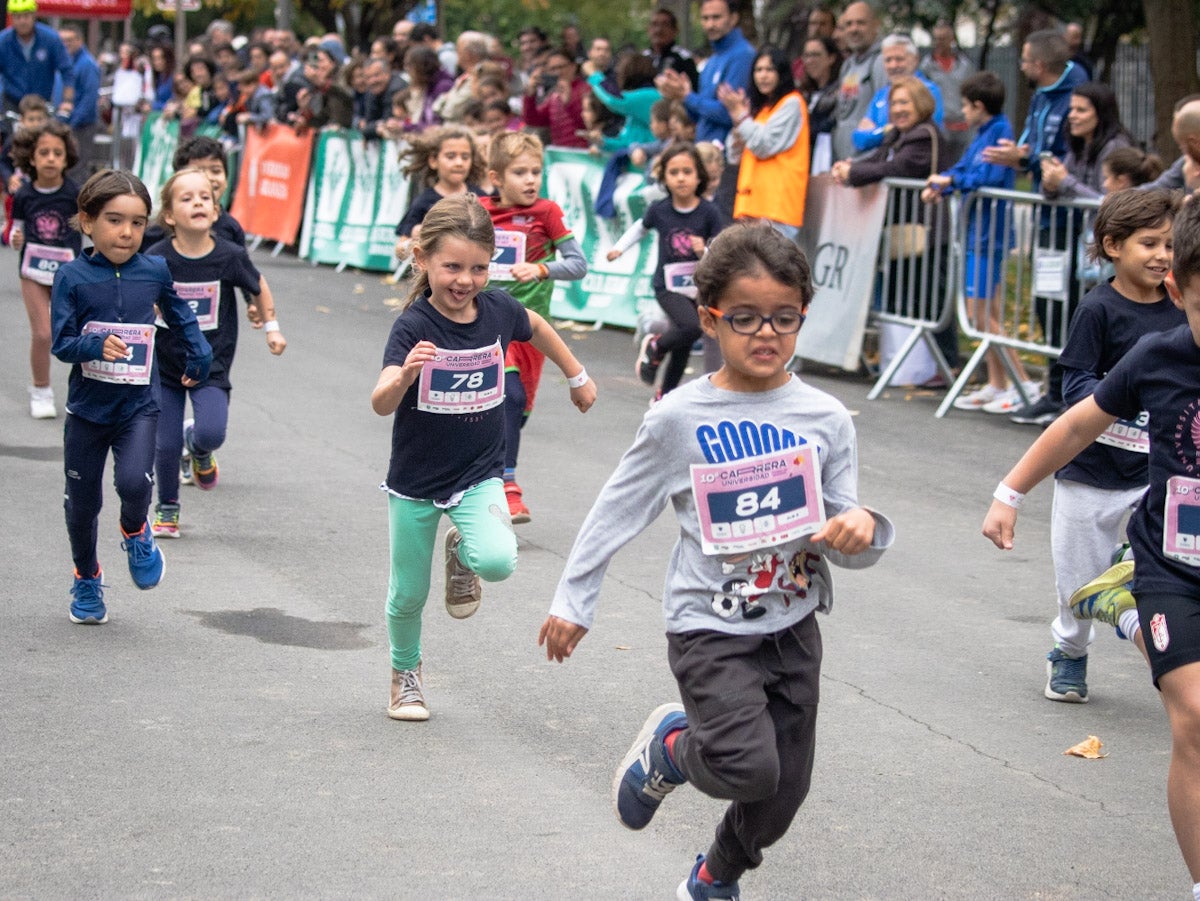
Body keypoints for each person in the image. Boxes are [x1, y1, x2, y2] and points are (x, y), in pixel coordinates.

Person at [539, 221, 893, 901]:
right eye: (746, 317)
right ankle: (674, 748)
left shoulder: (826, 418)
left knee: (784, 790)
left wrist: (861, 526)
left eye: (784, 318)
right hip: (709, 624)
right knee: (745, 765)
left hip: (792, 625)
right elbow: (618, 506)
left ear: (802, 318)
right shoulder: (680, 416)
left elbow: (849, 527)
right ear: (709, 318)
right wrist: (573, 599)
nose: (766, 333)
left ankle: (715, 875)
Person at [981, 196, 1200, 901]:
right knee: (1195, 714)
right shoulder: (1156, 354)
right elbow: (1076, 425)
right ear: (1179, 293)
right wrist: (1010, 492)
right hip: (1172, 565)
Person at [372, 194, 595, 720]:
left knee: (496, 561)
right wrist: (404, 377)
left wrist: (577, 373)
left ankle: (464, 553)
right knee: (409, 592)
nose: (465, 280)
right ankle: (406, 674)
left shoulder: (497, 309)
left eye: (478, 267)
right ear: (422, 259)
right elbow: (380, 402)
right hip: (416, 480)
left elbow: (535, 326)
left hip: (478, 474)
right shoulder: (413, 326)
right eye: (451, 266)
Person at [50, 170, 212, 625]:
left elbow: (179, 316)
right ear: (87, 221)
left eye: (138, 223)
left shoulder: (154, 270)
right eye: (114, 220)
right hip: (87, 410)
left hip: (138, 404)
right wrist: (92, 345)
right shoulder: (72, 276)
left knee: (134, 484)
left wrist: (197, 355)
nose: (126, 233)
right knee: (81, 504)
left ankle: (136, 530)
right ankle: (86, 577)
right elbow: (61, 343)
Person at [144, 169, 285, 539]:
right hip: (165, 364)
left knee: (211, 431)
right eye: (187, 198)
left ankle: (200, 448)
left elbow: (258, 286)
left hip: (212, 362)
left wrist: (271, 327)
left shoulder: (229, 255)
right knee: (165, 441)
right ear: (169, 216)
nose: (197, 203)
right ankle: (167, 509)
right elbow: (135, 295)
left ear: (216, 210)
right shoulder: (156, 257)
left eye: (204, 197)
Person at [981, 28, 1088, 427]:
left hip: (1072, 223)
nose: (1022, 65)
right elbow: (1033, 149)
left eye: (1024, 59)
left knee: (1072, 310)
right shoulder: (1042, 95)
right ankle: (1054, 390)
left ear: (1039, 64)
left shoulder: (1077, 93)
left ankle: (1072, 394)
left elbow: (1063, 158)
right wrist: (1021, 156)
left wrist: (1027, 160)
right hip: (1048, 218)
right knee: (1048, 303)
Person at [480, 132, 588, 522]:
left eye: (536, 172)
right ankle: (507, 486)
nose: (530, 180)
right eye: (519, 172)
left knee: (516, 412)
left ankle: (483, 474)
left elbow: (578, 265)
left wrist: (542, 268)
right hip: (486, 323)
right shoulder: (477, 210)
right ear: (496, 177)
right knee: (506, 398)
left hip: (530, 329)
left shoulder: (546, 212)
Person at [923, 72, 1037, 415]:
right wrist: (946, 181)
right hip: (979, 231)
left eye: (965, 105)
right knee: (988, 311)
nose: (962, 111)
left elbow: (983, 176)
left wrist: (950, 181)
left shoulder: (999, 132)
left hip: (989, 233)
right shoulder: (985, 132)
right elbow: (963, 168)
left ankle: (1023, 383)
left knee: (980, 313)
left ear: (978, 106)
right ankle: (998, 383)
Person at [833, 77, 957, 370]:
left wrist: (854, 173)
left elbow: (897, 167)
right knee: (907, 296)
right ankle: (911, 365)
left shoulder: (925, 135)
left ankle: (946, 364)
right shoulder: (895, 135)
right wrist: (850, 167)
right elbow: (876, 159)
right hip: (903, 229)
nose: (898, 109)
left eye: (904, 102)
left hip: (927, 228)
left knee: (932, 299)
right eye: (893, 103)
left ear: (921, 104)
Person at [608, 141, 725, 401]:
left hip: (697, 287)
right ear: (664, 177)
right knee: (693, 327)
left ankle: (664, 395)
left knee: (683, 345)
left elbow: (718, 254)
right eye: (674, 173)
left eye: (687, 172)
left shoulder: (709, 213)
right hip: (667, 286)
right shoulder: (660, 209)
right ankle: (656, 345)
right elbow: (640, 227)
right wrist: (619, 249)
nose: (681, 178)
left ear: (699, 176)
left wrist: (702, 252)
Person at [10, 120, 80, 420]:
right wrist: (14, 237)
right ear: (32, 158)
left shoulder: (75, 193)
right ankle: (41, 390)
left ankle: (85, 395)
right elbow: (15, 231)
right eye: (44, 152)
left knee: (79, 334)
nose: (51, 158)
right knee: (42, 333)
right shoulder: (24, 195)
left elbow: (90, 227)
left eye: (57, 153)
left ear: (66, 158)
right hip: (33, 271)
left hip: (69, 273)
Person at [718, 45, 810, 239]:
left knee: (774, 269)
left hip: (776, 209)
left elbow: (763, 145)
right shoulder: (762, 110)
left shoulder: (791, 103)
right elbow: (735, 156)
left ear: (782, 73)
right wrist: (739, 121)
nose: (763, 76)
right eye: (758, 70)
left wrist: (741, 116)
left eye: (769, 70)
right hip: (752, 206)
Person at [654, 0, 754, 145]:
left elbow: (731, 114)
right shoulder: (712, 61)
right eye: (705, 18)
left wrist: (688, 97)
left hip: (728, 155)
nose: (710, 25)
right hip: (705, 150)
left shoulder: (743, 55)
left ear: (733, 18)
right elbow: (699, 116)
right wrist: (679, 95)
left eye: (716, 17)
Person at [393, 125, 488, 259]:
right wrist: (416, 240)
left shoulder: (482, 199)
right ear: (433, 161)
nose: (459, 163)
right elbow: (399, 250)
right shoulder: (424, 202)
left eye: (465, 157)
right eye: (450, 156)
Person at [1040, 82, 1133, 202]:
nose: (1072, 116)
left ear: (1101, 114)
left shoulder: (1115, 147)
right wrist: (1051, 184)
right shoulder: (1079, 144)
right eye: (1071, 109)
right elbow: (1060, 191)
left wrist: (1064, 180)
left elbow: (1106, 201)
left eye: (1081, 110)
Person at [851, 34, 944, 154]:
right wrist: (885, 130)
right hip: (882, 165)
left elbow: (923, 133)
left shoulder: (928, 90)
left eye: (899, 59)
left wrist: (876, 132)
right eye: (888, 60)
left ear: (915, 60)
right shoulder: (882, 94)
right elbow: (858, 139)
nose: (893, 65)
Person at [831, 1, 885, 161]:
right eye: (849, 24)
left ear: (875, 25)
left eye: (861, 23)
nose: (854, 29)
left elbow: (884, 117)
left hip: (867, 164)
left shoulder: (881, 61)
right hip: (844, 162)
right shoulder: (848, 64)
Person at [0, 0, 74, 117]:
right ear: (12, 18)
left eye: (26, 16)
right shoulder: (3, 41)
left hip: (41, 104)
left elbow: (67, 71)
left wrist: (67, 102)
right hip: (12, 104)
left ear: (34, 16)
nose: (22, 21)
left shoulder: (51, 39)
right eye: (17, 17)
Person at [918, 20, 974, 165]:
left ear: (952, 39)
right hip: (940, 126)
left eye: (943, 39)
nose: (939, 42)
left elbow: (972, 93)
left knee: (963, 166)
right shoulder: (926, 67)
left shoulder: (965, 65)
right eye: (936, 39)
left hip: (963, 127)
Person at [586, 51, 661, 150]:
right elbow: (628, 145)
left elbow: (614, 99)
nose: (617, 78)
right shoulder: (635, 113)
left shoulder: (650, 96)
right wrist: (602, 143)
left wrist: (593, 74)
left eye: (619, 73)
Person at [56, 23, 100, 184]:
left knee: (78, 168)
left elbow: (89, 97)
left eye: (70, 40)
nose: (65, 44)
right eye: (62, 40)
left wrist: (72, 123)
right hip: (66, 123)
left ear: (80, 41)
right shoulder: (66, 62)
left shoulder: (87, 64)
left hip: (82, 125)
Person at [521, 46, 589, 149]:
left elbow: (588, 125)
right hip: (560, 154)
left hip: (582, 153)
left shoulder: (586, 89)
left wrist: (569, 103)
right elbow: (533, 120)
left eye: (561, 67)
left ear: (573, 66)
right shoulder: (554, 95)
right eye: (553, 69)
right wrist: (530, 95)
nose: (558, 72)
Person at [799, 36, 842, 173]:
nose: (810, 60)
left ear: (831, 58)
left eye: (816, 55)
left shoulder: (839, 92)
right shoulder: (803, 94)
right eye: (807, 56)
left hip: (829, 159)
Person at [645, 7, 698, 91]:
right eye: (654, 24)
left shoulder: (683, 58)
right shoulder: (643, 58)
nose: (658, 30)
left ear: (675, 30)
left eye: (665, 25)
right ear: (648, 29)